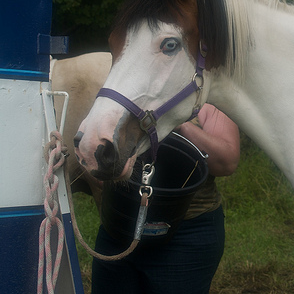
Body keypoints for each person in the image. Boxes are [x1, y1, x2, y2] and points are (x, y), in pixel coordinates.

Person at [91, 103, 240, 294]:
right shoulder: (121, 92)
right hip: (119, 228)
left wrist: (179, 124)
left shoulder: (209, 100)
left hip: (186, 236)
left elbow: (226, 163)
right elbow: (97, 168)